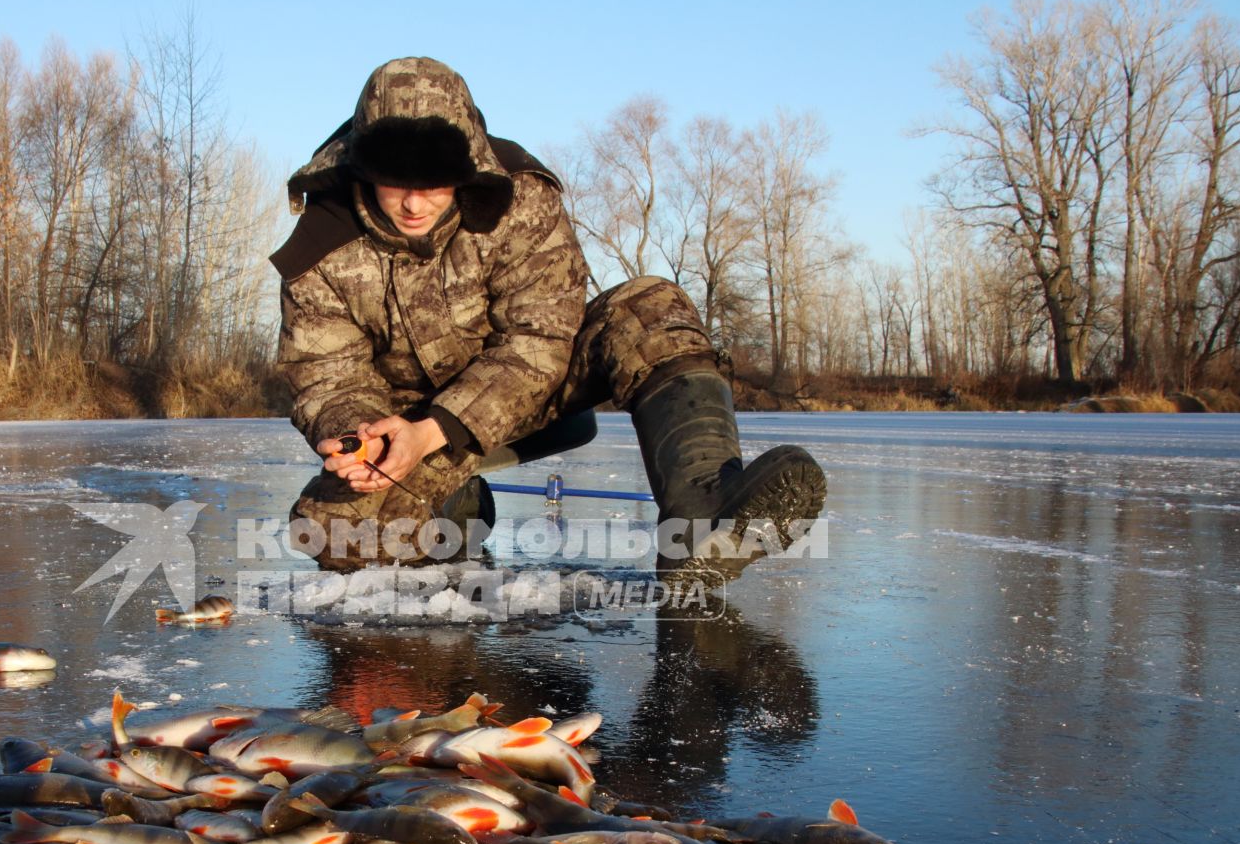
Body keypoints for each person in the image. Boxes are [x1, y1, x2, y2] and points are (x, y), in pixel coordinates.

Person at [272, 56, 825, 578]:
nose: (415, 204)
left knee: (648, 306)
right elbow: (327, 373)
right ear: (364, 168)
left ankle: (700, 511)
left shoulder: (522, 199)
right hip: (403, 426)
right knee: (334, 534)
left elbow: (541, 339)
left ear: (465, 169)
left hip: (535, 394)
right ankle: (454, 504)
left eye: (434, 183)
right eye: (397, 182)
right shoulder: (322, 239)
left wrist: (437, 430)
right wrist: (362, 440)